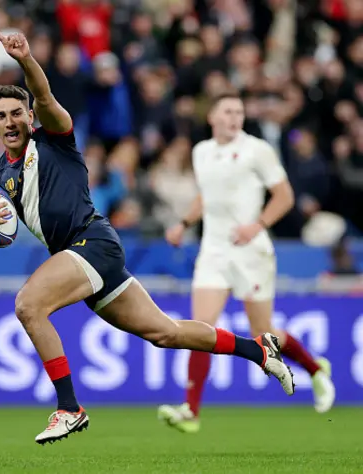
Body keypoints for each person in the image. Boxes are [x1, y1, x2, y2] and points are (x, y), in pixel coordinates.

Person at [0, 28, 295, 445]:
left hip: (92, 243)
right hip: (78, 256)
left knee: (29, 305)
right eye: (1, 116)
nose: (10, 121)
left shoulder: (54, 138)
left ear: (29, 116)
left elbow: (44, 95)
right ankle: (260, 351)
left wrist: (26, 60)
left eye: (17, 113)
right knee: (165, 333)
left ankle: (68, 408)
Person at [158, 93, 335, 434]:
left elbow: (285, 196)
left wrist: (258, 225)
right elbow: (205, 197)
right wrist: (184, 223)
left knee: (264, 334)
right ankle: (190, 411)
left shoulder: (258, 149)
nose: (235, 117)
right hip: (214, 250)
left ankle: (315, 371)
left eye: (239, 111)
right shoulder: (202, 151)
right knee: (201, 328)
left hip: (251, 251)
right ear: (212, 116)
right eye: (227, 111)